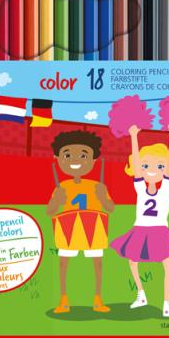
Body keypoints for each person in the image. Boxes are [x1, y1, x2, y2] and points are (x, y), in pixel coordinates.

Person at [110, 125, 169, 317]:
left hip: (159, 230)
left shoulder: (166, 189)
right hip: (140, 229)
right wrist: (134, 137)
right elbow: (137, 163)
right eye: (146, 166)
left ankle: (167, 305)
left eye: (159, 166)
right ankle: (141, 295)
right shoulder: (140, 187)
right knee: (132, 262)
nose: (151, 170)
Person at [47, 130, 115, 314]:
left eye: (83, 155)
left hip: (94, 227)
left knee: (97, 264)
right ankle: (64, 298)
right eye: (67, 155)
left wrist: (103, 197)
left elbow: (110, 208)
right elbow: (50, 212)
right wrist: (56, 201)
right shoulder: (62, 187)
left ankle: (97, 298)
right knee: (64, 264)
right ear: (58, 158)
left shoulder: (97, 186)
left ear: (94, 159)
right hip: (68, 229)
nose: (75, 160)